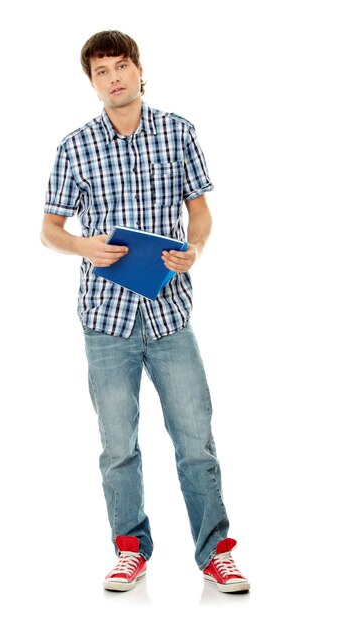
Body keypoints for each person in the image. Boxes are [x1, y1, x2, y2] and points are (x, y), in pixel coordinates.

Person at [41, 30, 249, 594]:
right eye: (101, 70)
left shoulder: (179, 132)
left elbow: (199, 213)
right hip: (105, 319)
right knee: (117, 444)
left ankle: (216, 552)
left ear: (139, 70)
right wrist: (86, 246)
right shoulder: (74, 147)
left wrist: (196, 249)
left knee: (195, 438)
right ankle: (129, 549)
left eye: (121, 66)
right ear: (92, 82)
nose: (113, 77)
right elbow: (49, 231)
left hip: (169, 314)